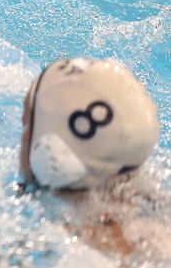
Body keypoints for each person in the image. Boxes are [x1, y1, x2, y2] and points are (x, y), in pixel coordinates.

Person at [19, 57, 166, 259]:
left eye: (27, 123)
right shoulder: (159, 235)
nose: (23, 134)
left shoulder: (60, 251)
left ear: (50, 152)